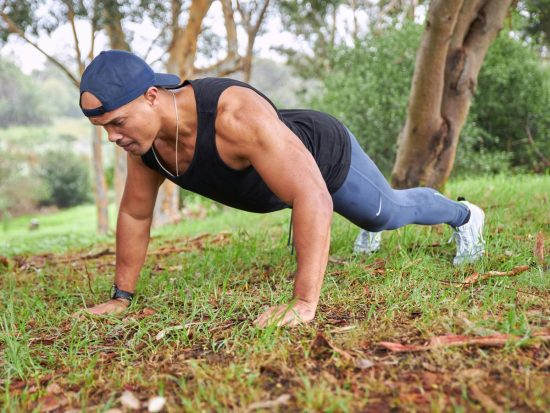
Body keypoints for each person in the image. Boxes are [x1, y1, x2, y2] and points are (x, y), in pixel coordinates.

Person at [79, 50, 485, 327]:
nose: (113, 138)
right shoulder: (145, 147)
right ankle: (359, 223)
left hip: (321, 156)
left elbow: (311, 195)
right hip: (290, 173)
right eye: (104, 129)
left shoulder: (233, 115)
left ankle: (464, 215)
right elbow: (135, 214)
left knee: (386, 215)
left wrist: (303, 304)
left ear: (151, 97)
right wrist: (121, 297)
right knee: (359, 215)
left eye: (118, 123)